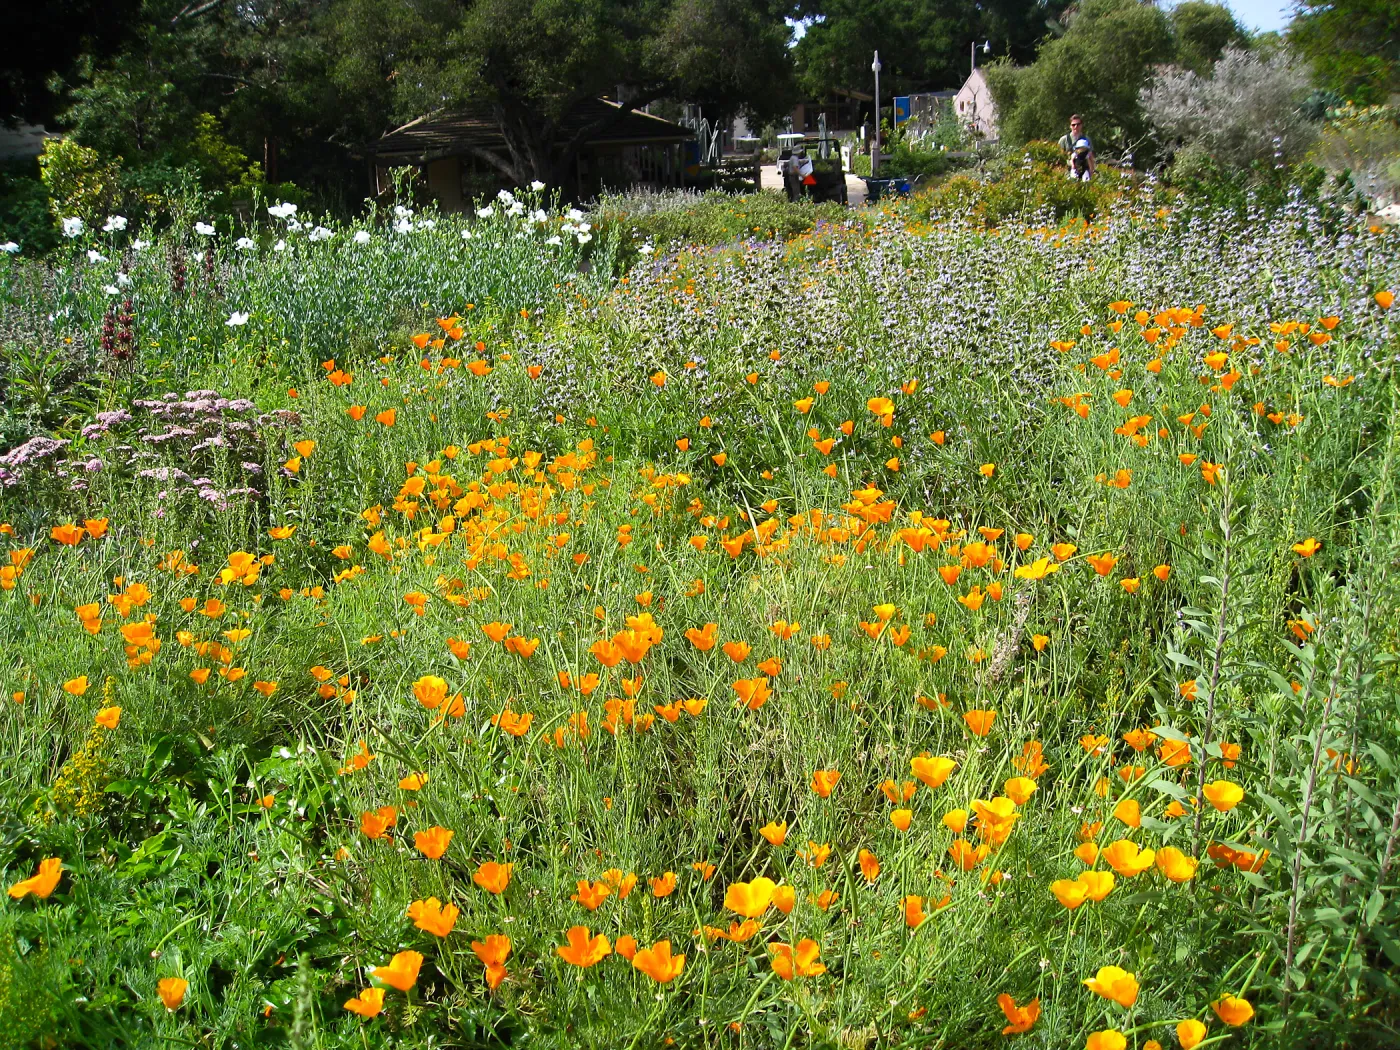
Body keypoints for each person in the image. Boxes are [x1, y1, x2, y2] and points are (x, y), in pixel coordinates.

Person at [1058, 115, 1095, 181]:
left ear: (1081, 125)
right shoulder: (1064, 140)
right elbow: (1059, 157)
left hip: (1084, 171)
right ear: (1070, 126)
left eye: (1078, 124)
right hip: (1068, 171)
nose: (1076, 127)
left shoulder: (1086, 139)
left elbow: (1091, 156)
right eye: (1073, 125)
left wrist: (1092, 171)